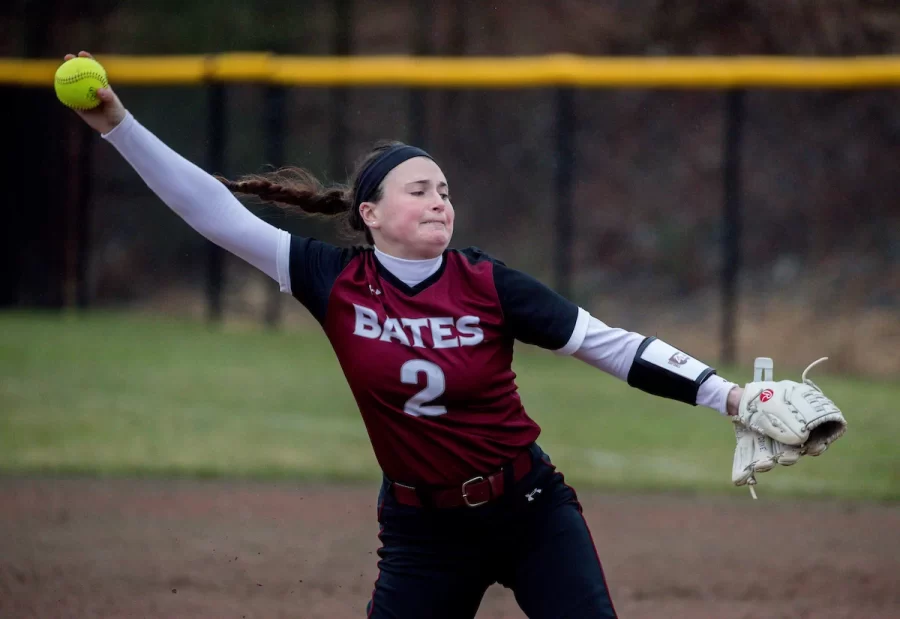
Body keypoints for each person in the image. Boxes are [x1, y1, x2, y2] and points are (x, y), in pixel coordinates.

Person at [65, 51, 846, 619]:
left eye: (445, 189)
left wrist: (729, 395)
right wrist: (118, 125)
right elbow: (214, 211)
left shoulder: (487, 283)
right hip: (423, 531)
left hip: (531, 508)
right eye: (418, 189)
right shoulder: (331, 279)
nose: (440, 200)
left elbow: (607, 342)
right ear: (369, 214)